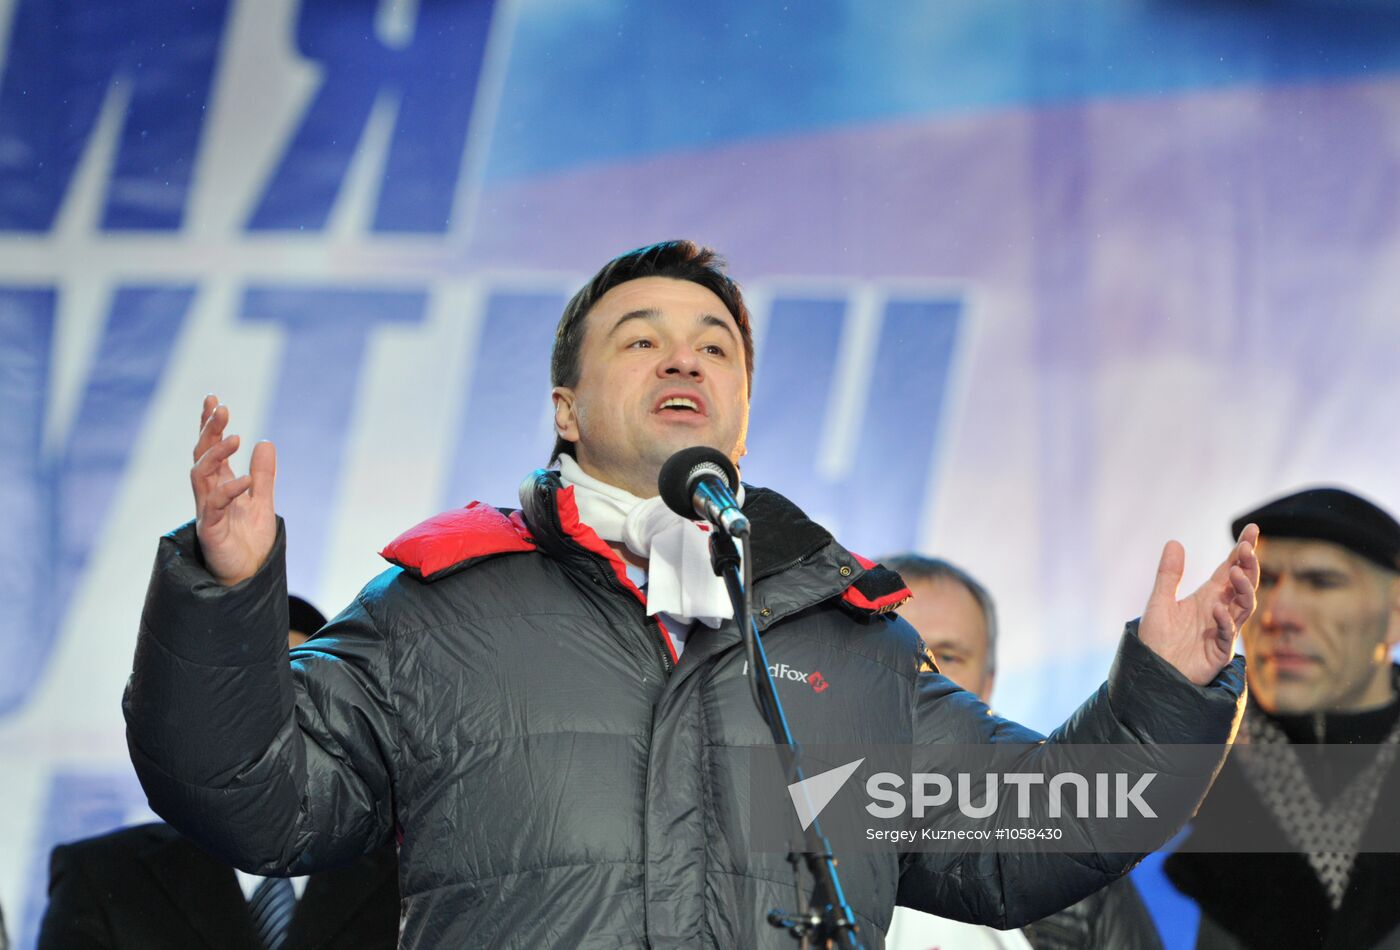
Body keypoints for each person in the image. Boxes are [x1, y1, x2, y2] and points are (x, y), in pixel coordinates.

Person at [124, 240, 1259, 948]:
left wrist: (1165, 688)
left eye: (714, 345)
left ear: (741, 403)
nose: (684, 360)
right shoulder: (444, 607)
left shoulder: (841, 635)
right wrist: (226, 592)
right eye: (642, 339)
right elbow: (247, 793)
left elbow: (1025, 835)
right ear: (565, 407)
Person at [41, 597, 399, 949]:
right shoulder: (102, 876)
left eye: (298, 690)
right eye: (245, 696)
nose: (276, 722)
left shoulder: (408, 882)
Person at [881, 555, 1164, 950]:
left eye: (947, 657)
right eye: (894, 646)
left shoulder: (1068, 857)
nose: (920, 674)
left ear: (987, 683)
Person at [1162, 487, 1400, 949]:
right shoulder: (1169, 768)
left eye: (1321, 582)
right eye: (1263, 581)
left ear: (1394, 614)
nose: (1276, 614)